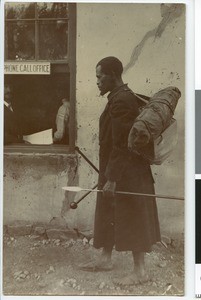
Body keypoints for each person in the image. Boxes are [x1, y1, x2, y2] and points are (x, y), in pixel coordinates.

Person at [79, 56, 161, 286]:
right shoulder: (117, 97)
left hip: (128, 172)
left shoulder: (122, 100)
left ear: (112, 75)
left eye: (99, 76)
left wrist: (112, 179)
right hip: (115, 168)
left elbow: (121, 144)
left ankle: (141, 271)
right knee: (108, 210)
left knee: (133, 214)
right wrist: (108, 174)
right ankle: (105, 259)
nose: (96, 81)